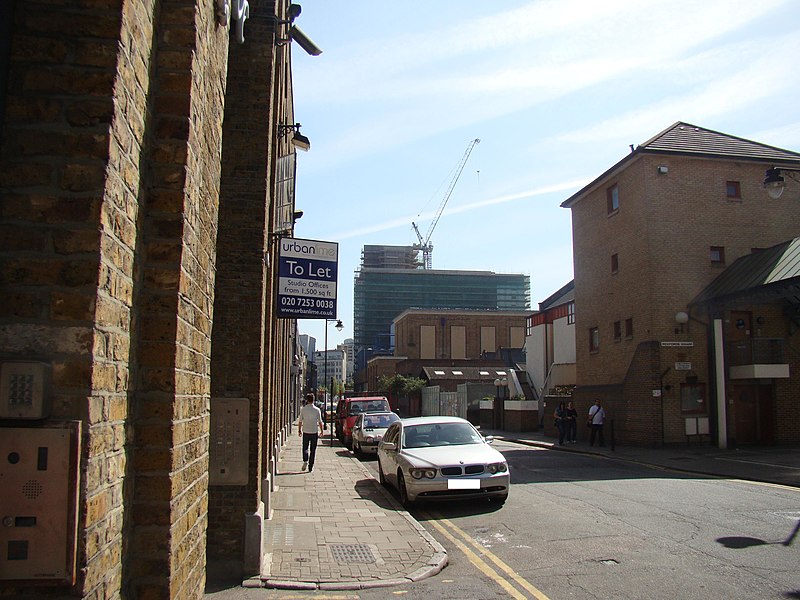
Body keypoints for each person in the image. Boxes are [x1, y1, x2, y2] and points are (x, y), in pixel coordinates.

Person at [298, 392, 325, 472]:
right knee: (313, 450)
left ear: (307, 400)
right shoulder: (317, 410)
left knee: (305, 447)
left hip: (306, 431)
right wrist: (322, 431)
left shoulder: (303, 409)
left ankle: (305, 460)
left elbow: (300, 421)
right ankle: (310, 466)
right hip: (314, 432)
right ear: (313, 400)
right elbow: (320, 422)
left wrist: (299, 430)